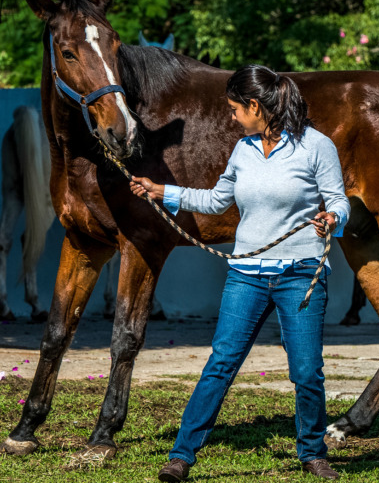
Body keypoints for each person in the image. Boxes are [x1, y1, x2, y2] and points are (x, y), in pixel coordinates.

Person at [130, 64, 350, 481]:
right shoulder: (244, 150)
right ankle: (181, 457)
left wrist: (331, 217)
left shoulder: (316, 147)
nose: (231, 117)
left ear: (255, 106)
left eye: (235, 109)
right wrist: (162, 192)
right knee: (221, 362)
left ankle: (313, 453)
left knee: (306, 371)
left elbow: (339, 200)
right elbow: (216, 200)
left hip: (301, 272)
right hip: (247, 272)